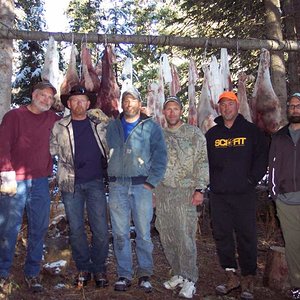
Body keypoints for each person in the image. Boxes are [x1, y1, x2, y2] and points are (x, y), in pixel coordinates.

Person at [205, 91, 268, 300]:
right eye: (222, 105)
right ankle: (230, 274)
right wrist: (210, 184)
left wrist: (252, 180)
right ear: (219, 108)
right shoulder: (212, 135)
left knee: (246, 235)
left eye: (230, 104)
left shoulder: (251, 131)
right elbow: (204, 162)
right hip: (219, 195)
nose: (226, 108)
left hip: (244, 194)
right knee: (222, 235)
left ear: (237, 106)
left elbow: (262, 158)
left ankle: (249, 276)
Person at [0, 81, 60, 292]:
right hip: (14, 179)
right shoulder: (14, 116)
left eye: (51, 98)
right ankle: (3, 272)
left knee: (39, 227)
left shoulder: (53, 118)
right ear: (34, 95)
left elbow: (70, 129)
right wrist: (6, 178)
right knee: (8, 227)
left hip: (41, 181)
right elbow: (3, 147)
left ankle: (32, 271)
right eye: (43, 95)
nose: (47, 100)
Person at [106, 87, 167, 293]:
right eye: (125, 100)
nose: (128, 104)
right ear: (121, 104)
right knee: (120, 232)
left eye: (132, 101)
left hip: (142, 186)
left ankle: (145, 274)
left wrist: (151, 182)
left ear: (140, 104)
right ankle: (124, 274)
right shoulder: (112, 127)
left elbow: (161, 157)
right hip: (117, 186)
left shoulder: (151, 127)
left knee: (143, 232)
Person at [50, 85, 110, 288]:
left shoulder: (99, 124)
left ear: (88, 103)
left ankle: (99, 267)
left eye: (83, 100)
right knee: (76, 229)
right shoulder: (60, 126)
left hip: (95, 183)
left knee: (100, 229)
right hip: (70, 184)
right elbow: (50, 149)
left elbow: (116, 139)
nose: (79, 103)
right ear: (68, 104)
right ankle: (83, 267)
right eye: (75, 100)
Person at [155, 96, 209, 299]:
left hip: (185, 191)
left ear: (181, 111)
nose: (171, 112)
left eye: (175, 109)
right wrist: (153, 192)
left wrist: (200, 189)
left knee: (185, 236)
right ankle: (178, 272)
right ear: (164, 112)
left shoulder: (193, 134)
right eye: (168, 109)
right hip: (163, 192)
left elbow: (202, 162)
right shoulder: (158, 136)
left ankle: (190, 279)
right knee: (166, 234)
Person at [269, 93, 300, 300]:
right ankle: (298, 284)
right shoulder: (279, 137)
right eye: (291, 106)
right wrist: (274, 193)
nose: (295, 109)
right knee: (293, 245)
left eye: (298, 106)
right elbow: (272, 166)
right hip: (287, 200)